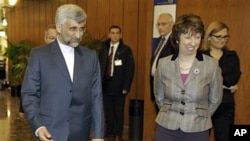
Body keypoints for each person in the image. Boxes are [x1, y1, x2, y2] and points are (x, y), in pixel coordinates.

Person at [21, 4, 104, 141]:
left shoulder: (90, 57)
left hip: (80, 133)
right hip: (49, 132)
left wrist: (98, 135)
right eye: (73, 29)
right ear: (59, 27)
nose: (78, 35)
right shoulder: (39, 55)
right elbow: (29, 94)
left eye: (82, 29)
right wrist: (38, 126)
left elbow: (96, 98)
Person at [154, 14, 223, 141]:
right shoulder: (164, 64)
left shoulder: (211, 65)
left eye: (197, 37)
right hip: (167, 127)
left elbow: (215, 99)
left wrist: (200, 114)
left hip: (197, 128)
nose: (193, 43)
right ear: (177, 38)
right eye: (188, 37)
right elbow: (159, 97)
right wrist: (170, 112)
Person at [201, 21, 241, 141]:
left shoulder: (232, 55)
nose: (222, 40)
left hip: (225, 105)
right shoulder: (200, 56)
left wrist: (212, 79)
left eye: (225, 37)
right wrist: (223, 82)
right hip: (203, 105)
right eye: (218, 36)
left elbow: (232, 79)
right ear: (209, 38)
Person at [99, 25, 135, 141]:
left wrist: (126, 87)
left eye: (117, 33)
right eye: (112, 33)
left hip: (119, 86)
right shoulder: (103, 49)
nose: (114, 35)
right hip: (106, 84)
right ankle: (109, 131)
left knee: (118, 111)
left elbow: (130, 70)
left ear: (120, 35)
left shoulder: (126, 50)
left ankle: (118, 133)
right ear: (109, 35)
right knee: (108, 110)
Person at [19, 24, 58, 118]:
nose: (55, 41)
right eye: (52, 38)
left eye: (58, 38)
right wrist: (22, 107)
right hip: (41, 108)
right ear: (45, 38)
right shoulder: (37, 56)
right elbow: (28, 83)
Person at [150, 13, 175, 112]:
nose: (160, 27)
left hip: (167, 87)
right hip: (157, 85)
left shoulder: (174, 41)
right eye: (158, 24)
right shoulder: (160, 40)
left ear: (172, 25)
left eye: (163, 24)